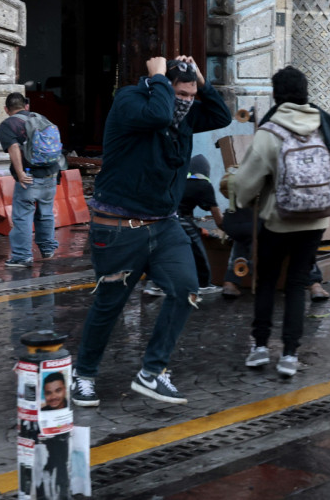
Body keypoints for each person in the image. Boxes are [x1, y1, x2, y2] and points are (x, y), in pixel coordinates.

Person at [71, 56, 232, 407]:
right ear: (160, 86)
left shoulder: (185, 114)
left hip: (164, 224)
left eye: (192, 94)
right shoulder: (130, 101)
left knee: (187, 290)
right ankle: (83, 374)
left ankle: (152, 371)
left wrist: (202, 82)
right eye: (181, 92)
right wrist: (157, 75)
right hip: (119, 228)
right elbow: (159, 114)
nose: (187, 101)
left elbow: (222, 116)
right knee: (109, 306)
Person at [228, 67, 330, 376]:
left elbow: (244, 184)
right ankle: (290, 355)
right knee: (297, 284)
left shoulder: (270, 132)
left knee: (267, 281)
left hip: (278, 222)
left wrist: (239, 198)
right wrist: (314, 199)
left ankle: (259, 348)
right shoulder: (323, 125)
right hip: (315, 223)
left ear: (276, 94)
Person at [0, 93, 61, 268]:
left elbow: (14, 148)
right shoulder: (41, 118)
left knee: (23, 217)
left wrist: (20, 173)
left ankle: (22, 256)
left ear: (6, 109)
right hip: (51, 174)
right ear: (26, 106)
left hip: (30, 177)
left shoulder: (8, 124)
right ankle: (47, 249)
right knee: (46, 214)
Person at [151, 155, 223, 297]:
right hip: (180, 218)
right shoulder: (203, 184)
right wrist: (229, 229)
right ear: (205, 170)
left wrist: (198, 229)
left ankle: (155, 285)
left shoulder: (179, 181)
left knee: (163, 251)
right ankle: (203, 284)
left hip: (161, 218)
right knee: (198, 250)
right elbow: (216, 216)